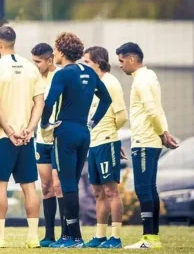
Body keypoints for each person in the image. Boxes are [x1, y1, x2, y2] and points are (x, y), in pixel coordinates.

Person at [40, 32, 112, 248]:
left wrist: (45, 123)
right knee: (72, 184)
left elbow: (49, 101)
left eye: (55, 49)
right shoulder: (90, 72)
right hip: (84, 132)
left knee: (68, 183)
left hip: (66, 132)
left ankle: (73, 238)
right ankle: (72, 236)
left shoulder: (61, 74)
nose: (53, 53)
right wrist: (92, 122)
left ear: (61, 52)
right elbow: (106, 99)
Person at [0, 26, 45, 249]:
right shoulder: (31, 68)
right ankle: (33, 238)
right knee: (29, 187)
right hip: (27, 138)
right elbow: (40, 103)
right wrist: (29, 129)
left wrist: (10, 131)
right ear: (14, 42)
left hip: (2, 138)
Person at [116, 43, 178, 249]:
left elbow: (152, 110)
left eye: (122, 61)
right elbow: (158, 109)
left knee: (143, 189)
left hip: (144, 141)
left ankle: (148, 238)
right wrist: (164, 132)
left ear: (132, 59)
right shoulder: (150, 76)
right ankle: (153, 238)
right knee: (150, 188)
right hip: (151, 141)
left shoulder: (141, 81)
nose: (120, 65)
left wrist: (163, 133)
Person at [82, 46, 127, 249]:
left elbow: (122, 116)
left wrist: (111, 136)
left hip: (106, 142)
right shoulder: (94, 84)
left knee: (111, 192)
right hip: (94, 144)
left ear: (98, 63)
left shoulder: (111, 83)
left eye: (87, 63)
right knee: (98, 192)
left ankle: (115, 238)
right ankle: (100, 236)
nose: (84, 67)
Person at [30, 43, 61, 247]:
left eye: (38, 62)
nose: (35, 65)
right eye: (33, 61)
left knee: (60, 187)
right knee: (46, 187)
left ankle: (68, 233)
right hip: (41, 140)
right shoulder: (33, 79)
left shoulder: (60, 76)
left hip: (58, 140)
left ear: (50, 60)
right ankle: (49, 235)